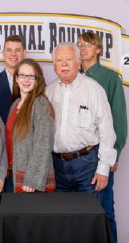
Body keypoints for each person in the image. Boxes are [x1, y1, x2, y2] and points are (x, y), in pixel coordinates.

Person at [46, 42, 117, 203]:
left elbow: (107, 130)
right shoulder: (48, 91)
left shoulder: (94, 89)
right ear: (54, 65)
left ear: (78, 63)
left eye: (69, 59)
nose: (64, 64)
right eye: (59, 60)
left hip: (87, 166)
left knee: (89, 218)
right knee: (62, 219)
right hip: (57, 167)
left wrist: (104, 168)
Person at [78, 32, 127, 243]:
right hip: (77, 158)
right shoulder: (73, 77)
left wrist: (114, 153)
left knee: (104, 210)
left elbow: (118, 117)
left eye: (87, 44)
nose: (82, 48)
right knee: (78, 214)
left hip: (100, 154)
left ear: (98, 49)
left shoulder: (109, 78)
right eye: (79, 44)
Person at [5, 58, 55, 193]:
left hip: (31, 181)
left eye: (31, 76)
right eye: (22, 75)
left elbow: (43, 144)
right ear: (16, 78)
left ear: (37, 80)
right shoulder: (15, 104)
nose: (26, 80)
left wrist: (32, 180)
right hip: (13, 173)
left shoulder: (41, 104)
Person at [0, 35, 26, 124]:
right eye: (9, 50)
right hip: (1, 136)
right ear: (3, 53)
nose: (13, 54)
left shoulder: (36, 82)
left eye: (18, 50)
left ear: (24, 53)